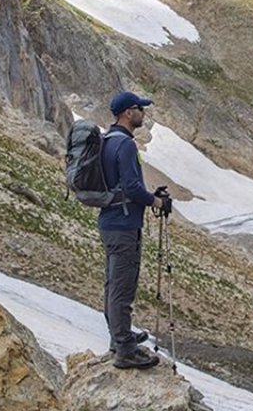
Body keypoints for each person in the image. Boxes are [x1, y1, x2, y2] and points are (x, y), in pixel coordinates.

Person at [101, 90, 172, 369]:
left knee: (112, 285)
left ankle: (118, 338)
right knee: (123, 288)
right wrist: (157, 201)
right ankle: (125, 351)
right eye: (139, 109)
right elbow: (131, 188)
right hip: (124, 225)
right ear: (128, 113)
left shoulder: (108, 140)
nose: (143, 113)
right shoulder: (126, 145)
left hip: (110, 222)